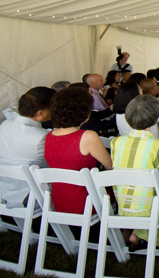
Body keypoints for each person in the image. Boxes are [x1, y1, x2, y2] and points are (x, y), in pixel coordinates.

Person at [109, 95, 159, 250]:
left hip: (123, 206)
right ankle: (141, 235)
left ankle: (134, 233)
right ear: (156, 120)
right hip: (151, 209)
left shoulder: (116, 143)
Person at [43, 86, 112, 214]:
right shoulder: (88, 136)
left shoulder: (49, 137)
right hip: (88, 201)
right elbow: (110, 168)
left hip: (59, 202)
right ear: (85, 112)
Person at [0, 86, 54, 207]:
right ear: (40, 113)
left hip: (3, 188)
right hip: (30, 194)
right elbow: (50, 166)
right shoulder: (42, 136)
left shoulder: (5, 124)